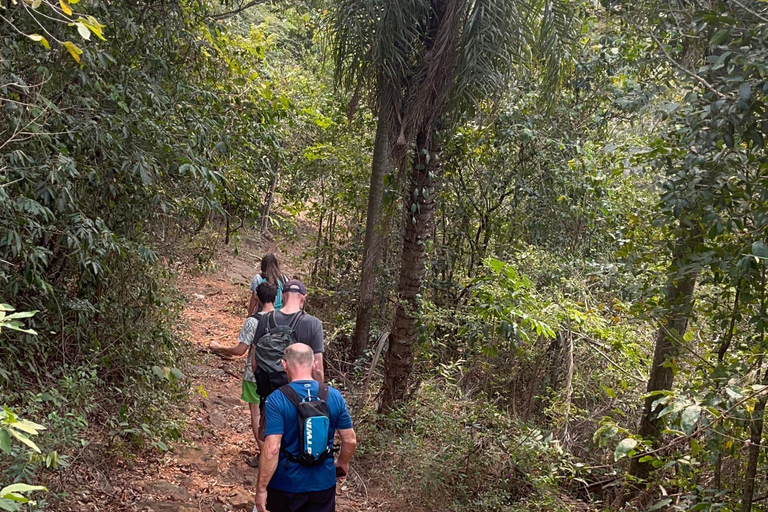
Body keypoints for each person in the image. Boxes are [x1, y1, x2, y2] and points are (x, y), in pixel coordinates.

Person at [255, 343, 356, 512]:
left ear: (284, 364)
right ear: (314, 364)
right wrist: (342, 463)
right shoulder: (333, 395)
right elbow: (350, 440)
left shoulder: (276, 399)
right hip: (323, 483)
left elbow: (272, 448)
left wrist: (261, 489)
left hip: (286, 485)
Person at [209, 281, 278, 467]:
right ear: (276, 298)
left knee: (256, 414)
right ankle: (276, 454)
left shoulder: (253, 321)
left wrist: (219, 348)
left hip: (253, 374)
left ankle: (264, 454)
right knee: (274, 414)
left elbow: (240, 350)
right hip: (278, 375)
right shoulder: (284, 319)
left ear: (257, 297)